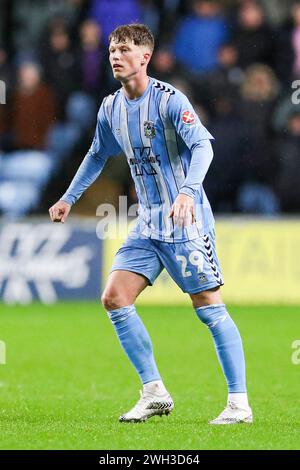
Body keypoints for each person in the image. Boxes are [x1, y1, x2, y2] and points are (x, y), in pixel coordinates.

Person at [49, 23, 252, 425]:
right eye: (111, 49)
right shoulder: (110, 107)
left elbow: (202, 147)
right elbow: (96, 154)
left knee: (209, 308)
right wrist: (68, 198)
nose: (115, 55)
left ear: (145, 57)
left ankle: (239, 404)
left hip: (186, 221)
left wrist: (188, 192)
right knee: (114, 298)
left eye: (124, 49)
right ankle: (154, 391)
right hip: (148, 222)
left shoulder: (169, 100)